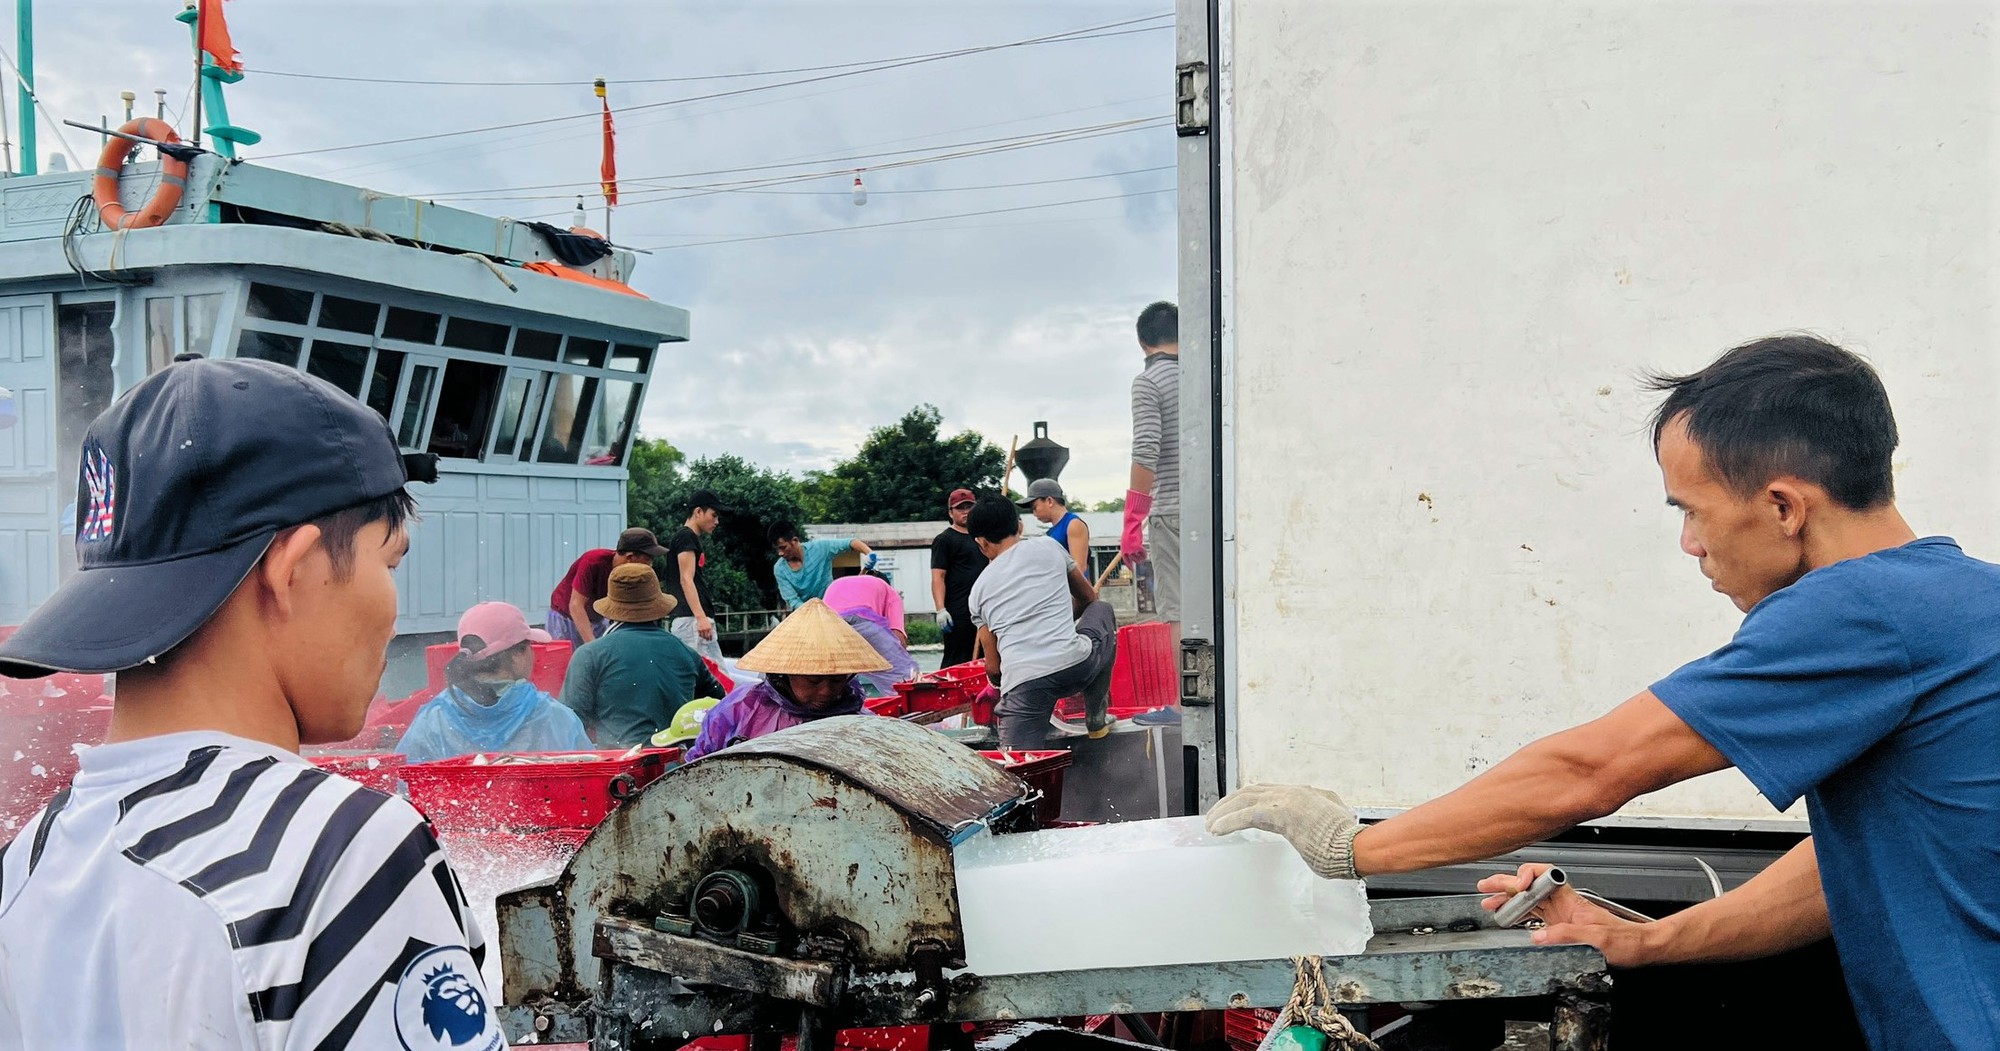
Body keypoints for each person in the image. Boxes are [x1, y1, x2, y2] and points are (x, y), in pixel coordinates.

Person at [1205, 336, 2000, 1048]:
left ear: (1784, 506)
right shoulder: (1964, 603)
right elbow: (1847, 870)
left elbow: (1595, 768)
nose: (1690, 543)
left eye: (1691, 510)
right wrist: (1644, 939)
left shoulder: (1860, 609)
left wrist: (1351, 849)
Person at [0, 359, 505, 1049]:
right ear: (293, 569)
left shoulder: (30, 860)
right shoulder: (342, 852)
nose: (395, 610)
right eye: (389, 562)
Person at [965, 494, 1118, 747]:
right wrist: (1056, 623)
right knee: (1102, 609)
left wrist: (999, 688)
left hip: (1023, 682)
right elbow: (1089, 597)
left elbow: (993, 667)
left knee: (1016, 766)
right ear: (1019, 527)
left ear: (981, 543)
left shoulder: (978, 590)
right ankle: (1096, 717)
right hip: (1075, 664)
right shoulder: (1049, 547)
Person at [685, 599, 890, 761]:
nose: (826, 691)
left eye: (837, 680)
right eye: (814, 681)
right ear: (786, 673)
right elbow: (701, 768)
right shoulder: (740, 709)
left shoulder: (861, 724)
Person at [396, 601, 593, 763]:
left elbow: (404, 786)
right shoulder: (555, 718)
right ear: (517, 655)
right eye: (528, 646)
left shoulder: (432, 719)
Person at [562, 563, 724, 747]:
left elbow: (570, 724)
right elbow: (719, 704)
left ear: (612, 610)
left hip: (619, 768)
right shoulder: (686, 653)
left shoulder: (589, 655)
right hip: (677, 767)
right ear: (659, 608)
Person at [1124, 301, 1180, 626]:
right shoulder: (1208, 375)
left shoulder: (1148, 382)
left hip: (1172, 513)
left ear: (1142, 343)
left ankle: (1192, 679)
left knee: (1178, 613)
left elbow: (1146, 449)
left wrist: (1133, 520)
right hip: (1218, 510)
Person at [547, 526, 669, 645]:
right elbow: (576, 605)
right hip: (565, 617)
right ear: (630, 557)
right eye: (648, 559)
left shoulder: (632, 575)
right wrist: (592, 646)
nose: (651, 564)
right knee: (566, 662)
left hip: (597, 619)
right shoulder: (593, 561)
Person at [824, 573, 919, 696]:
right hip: (862, 620)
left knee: (837, 682)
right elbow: (898, 638)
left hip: (828, 626)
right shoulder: (891, 592)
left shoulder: (837, 584)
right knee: (906, 679)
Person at [665, 489, 726, 663]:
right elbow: (686, 579)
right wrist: (700, 618)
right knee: (713, 680)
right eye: (713, 515)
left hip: (692, 620)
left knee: (715, 679)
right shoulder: (686, 537)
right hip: (692, 621)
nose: (716, 521)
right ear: (698, 512)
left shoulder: (687, 538)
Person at [930, 488, 987, 666]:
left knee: (987, 655)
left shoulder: (984, 537)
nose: (965, 511)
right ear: (950, 512)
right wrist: (940, 609)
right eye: (960, 508)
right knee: (958, 657)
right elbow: (938, 576)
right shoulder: (944, 540)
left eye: (969, 506)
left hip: (985, 607)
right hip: (959, 612)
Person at [770, 522, 875, 608]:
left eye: (783, 547)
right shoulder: (780, 569)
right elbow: (793, 601)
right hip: (805, 615)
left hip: (833, 608)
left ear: (795, 541)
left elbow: (850, 543)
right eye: (777, 549)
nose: (780, 553)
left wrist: (869, 553)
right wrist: (816, 613)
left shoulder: (820, 549)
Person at [1019, 477, 1090, 569]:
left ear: (1049, 501)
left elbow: (1079, 567)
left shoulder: (1073, 525)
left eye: (1034, 507)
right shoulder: (1051, 532)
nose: (1034, 513)